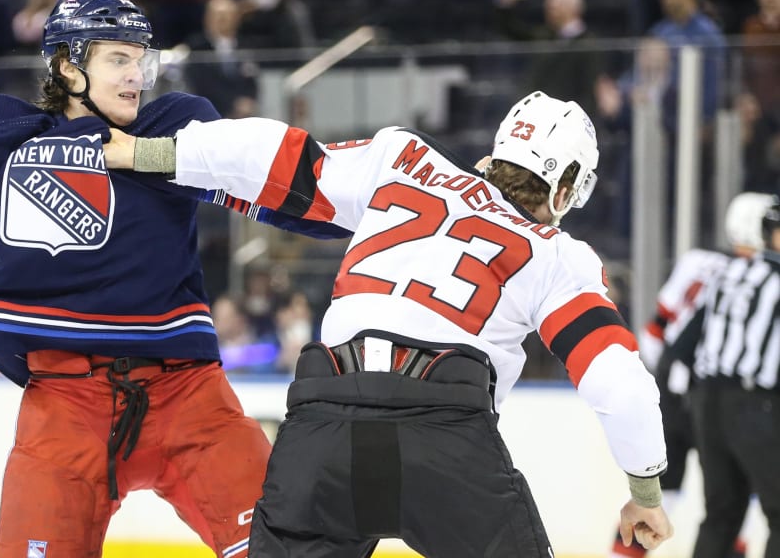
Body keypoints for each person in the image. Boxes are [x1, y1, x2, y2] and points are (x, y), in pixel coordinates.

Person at [0, 0, 347, 558]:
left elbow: (305, 202)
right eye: (118, 60)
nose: (137, 76)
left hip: (189, 397)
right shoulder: (3, 135)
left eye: (142, 60)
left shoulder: (177, 126)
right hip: (62, 405)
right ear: (66, 66)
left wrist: (391, 199)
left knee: (298, 550)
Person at [103, 90, 674, 555]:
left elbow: (271, 154)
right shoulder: (558, 255)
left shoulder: (402, 160)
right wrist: (645, 492)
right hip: (445, 434)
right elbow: (621, 387)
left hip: (323, 415)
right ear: (568, 184)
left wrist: (146, 153)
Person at [608, 191, 775, 558]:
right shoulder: (744, 272)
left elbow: (659, 336)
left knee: (711, 501)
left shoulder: (705, 264)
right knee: (722, 502)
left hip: (690, 394)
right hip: (724, 399)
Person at [670, 196, 780, 558]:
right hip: (756, 405)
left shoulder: (727, 271)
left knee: (721, 514)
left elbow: (682, 346)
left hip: (708, 405)